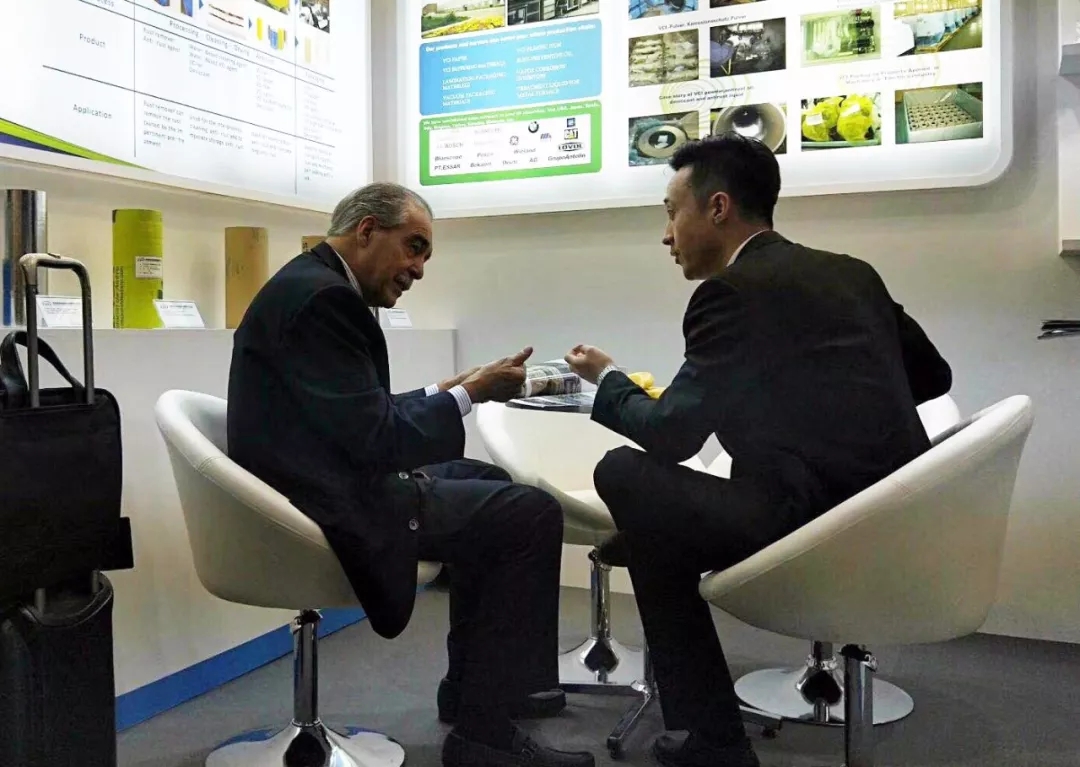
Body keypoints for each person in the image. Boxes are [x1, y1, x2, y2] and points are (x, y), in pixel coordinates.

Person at [563, 134, 951, 767]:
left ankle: (713, 739)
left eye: (671, 212)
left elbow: (671, 435)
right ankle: (706, 736)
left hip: (808, 524)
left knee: (624, 475)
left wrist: (608, 378)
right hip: (893, 517)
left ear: (717, 208)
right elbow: (933, 376)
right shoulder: (853, 272)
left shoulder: (730, 293)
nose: (666, 235)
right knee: (656, 533)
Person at [228, 182, 595, 767]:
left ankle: (475, 692)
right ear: (367, 230)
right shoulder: (326, 301)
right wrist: (471, 395)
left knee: (490, 480)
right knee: (530, 514)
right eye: (414, 247)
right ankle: (486, 735)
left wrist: (446, 390)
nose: (419, 269)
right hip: (327, 501)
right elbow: (378, 440)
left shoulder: (312, 285)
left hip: (317, 477)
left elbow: (352, 415)